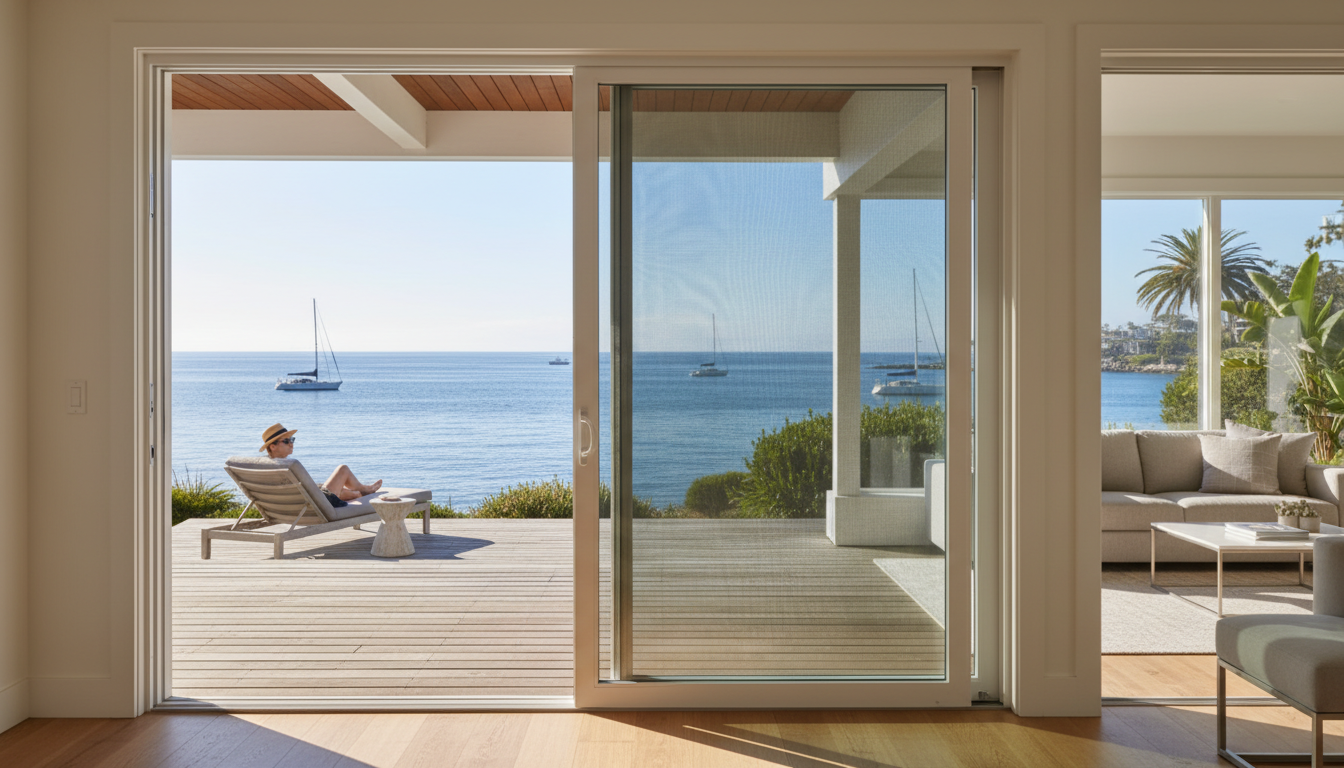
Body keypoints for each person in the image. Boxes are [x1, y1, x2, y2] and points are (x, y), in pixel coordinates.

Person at [259, 423, 382, 508]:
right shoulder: (287, 466)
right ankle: (364, 490)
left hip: (293, 506)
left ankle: (358, 493)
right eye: (286, 441)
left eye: (292, 440)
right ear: (273, 446)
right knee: (342, 469)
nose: (291, 444)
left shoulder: (264, 466)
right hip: (314, 506)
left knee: (340, 489)